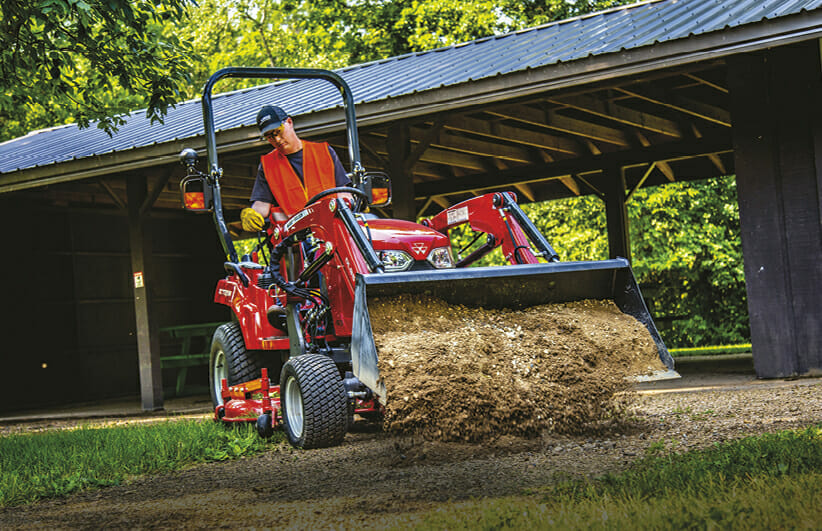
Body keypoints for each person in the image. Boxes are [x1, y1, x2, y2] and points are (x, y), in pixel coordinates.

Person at [240, 105, 351, 232]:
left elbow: (343, 192)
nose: (276, 139)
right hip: (296, 240)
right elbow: (262, 205)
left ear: (289, 122)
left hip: (332, 230)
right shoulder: (267, 165)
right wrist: (252, 214)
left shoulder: (324, 152)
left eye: (278, 131)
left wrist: (351, 203)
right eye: (269, 136)